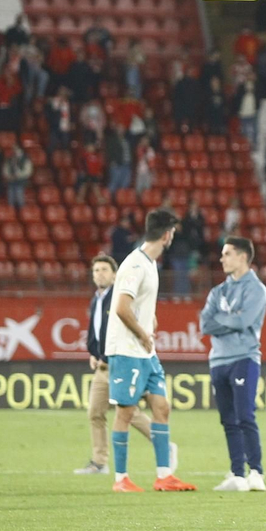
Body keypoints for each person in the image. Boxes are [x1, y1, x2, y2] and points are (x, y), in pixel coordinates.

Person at [105, 209, 194, 493]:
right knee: (126, 413)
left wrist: (149, 321)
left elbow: (137, 305)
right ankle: (121, 479)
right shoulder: (135, 264)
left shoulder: (149, 264)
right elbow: (120, 307)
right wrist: (143, 332)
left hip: (145, 351)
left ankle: (164, 475)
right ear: (167, 234)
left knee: (162, 407)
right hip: (128, 349)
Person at [202, 237, 266, 492]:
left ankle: (256, 472)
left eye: (227, 253)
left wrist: (224, 320)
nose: (222, 259)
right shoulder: (217, 291)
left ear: (242, 257)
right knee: (228, 419)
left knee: (245, 416)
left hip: (244, 357)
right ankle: (236, 473)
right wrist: (231, 318)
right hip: (218, 360)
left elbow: (244, 322)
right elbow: (204, 323)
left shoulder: (256, 289)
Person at [78, 255, 150, 475]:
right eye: (96, 270)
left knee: (128, 412)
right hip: (101, 365)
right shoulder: (97, 299)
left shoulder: (119, 298)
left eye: (104, 270)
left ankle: (162, 441)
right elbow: (96, 330)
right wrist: (94, 352)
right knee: (95, 412)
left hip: (116, 363)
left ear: (114, 274)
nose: (99, 274)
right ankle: (99, 462)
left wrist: (109, 355)